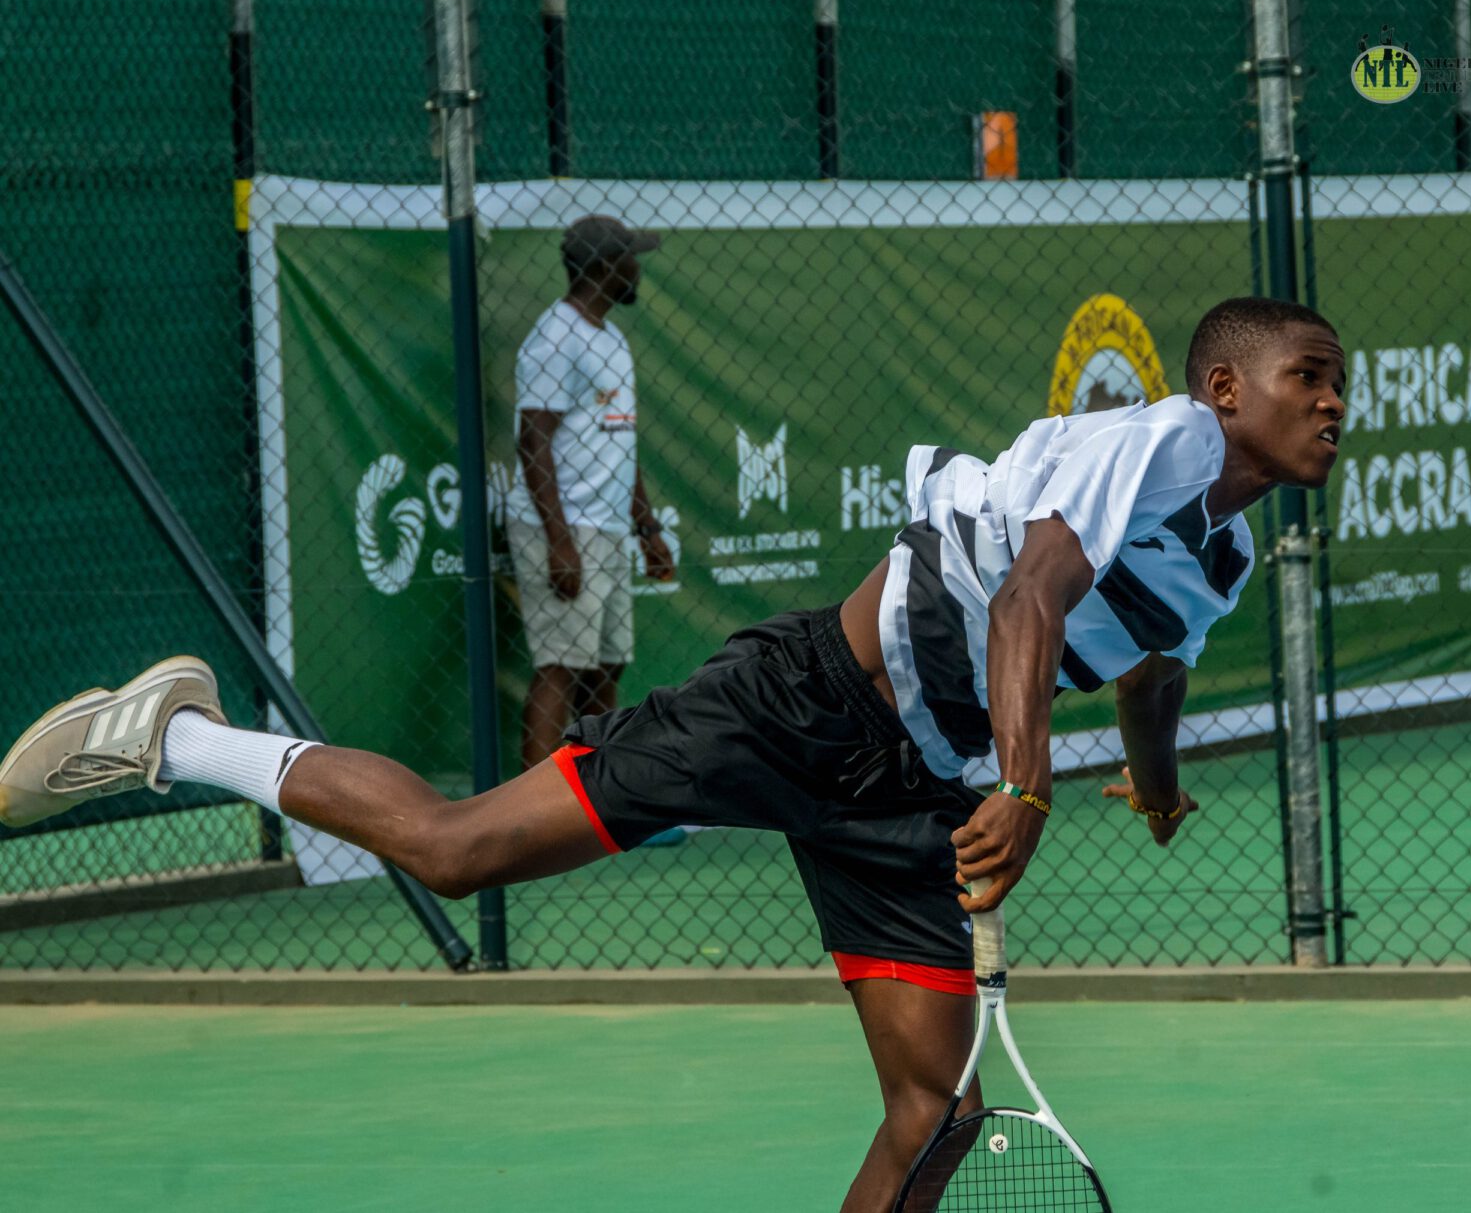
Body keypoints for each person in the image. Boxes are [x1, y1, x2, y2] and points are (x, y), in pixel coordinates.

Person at [0, 297, 1345, 1211]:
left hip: (907, 790)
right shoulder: (1159, 439)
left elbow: (1146, 656)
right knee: (459, 851)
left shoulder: (1227, 544)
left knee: (933, 1112)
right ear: (1225, 388)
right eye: (1309, 380)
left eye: (1340, 384)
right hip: (804, 700)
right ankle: (172, 730)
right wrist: (1029, 786)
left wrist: (1152, 778)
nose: (1334, 404)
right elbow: (1028, 598)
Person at [499, 214, 676, 772]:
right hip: (565, 526)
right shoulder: (555, 339)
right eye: (631, 258)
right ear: (605, 267)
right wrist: (559, 542)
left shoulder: (611, 337)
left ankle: (596, 801)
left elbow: (620, 443)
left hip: (606, 528)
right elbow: (533, 441)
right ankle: (528, 818)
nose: (637, 269)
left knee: (605, 667)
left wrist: (647, 529)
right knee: (560, 666)